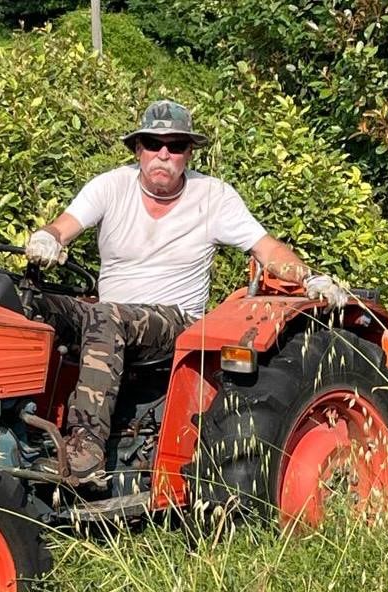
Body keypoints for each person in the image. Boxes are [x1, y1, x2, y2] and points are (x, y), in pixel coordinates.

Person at [24, 99, 350, 483]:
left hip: (177, 323)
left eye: (176, 146)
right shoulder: (110, 186)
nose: (163, 154)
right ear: (137, 149)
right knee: (25, 299)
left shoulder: (213, 196)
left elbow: (267, 249)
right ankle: (14, 425)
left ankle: (86, 448)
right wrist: (46, 238)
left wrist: (309, 277)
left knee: (103, 314)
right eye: (153, 143)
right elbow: (63, 225)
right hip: (108, 316)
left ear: (189, 153)